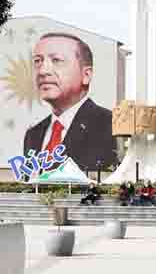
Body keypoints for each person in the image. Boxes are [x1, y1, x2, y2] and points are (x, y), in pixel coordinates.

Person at [23, 33, 117, 171]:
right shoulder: (33, 134)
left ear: (86, 75)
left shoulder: (109, 125)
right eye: (38, 61)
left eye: (56, 60)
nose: (42, 71)